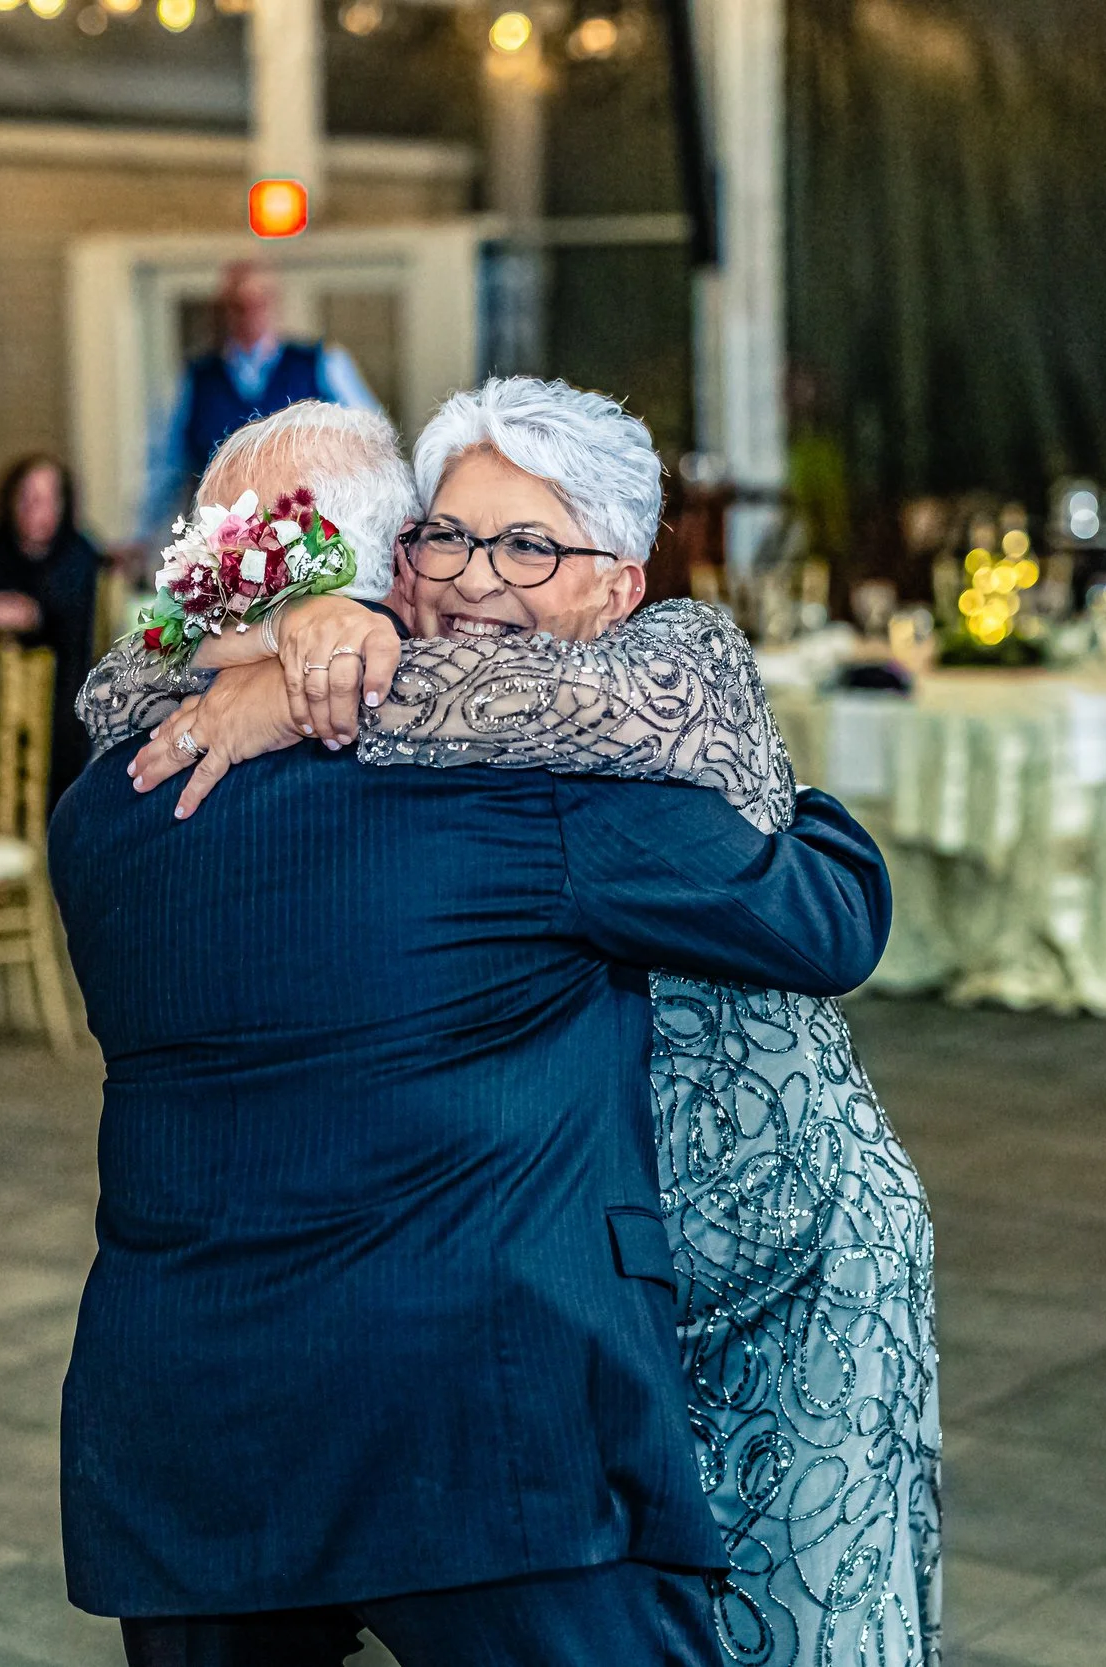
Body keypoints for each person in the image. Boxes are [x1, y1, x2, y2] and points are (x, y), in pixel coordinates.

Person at [85, 381, 944, 1667]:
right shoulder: (536, 790)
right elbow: (828, 918)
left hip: (192, 1419)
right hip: (492, 1418)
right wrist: (768, 776)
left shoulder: (109, 800)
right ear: (393, 569)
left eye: (521, 545)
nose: (476, 578)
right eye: (450, 541)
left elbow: (142, 689)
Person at [133, 261, 383, 557]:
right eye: (240, 305)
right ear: (225, 310)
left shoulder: (322, 363)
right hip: (222, 544)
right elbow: (165, 466)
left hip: (308, 539)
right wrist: (140, 537)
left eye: (259, 302)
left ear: (275, 303)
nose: (250, 314)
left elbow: (372, 440)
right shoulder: (195, 380)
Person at [0, 452, 103, 803]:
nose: (34, 509)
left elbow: (49, 612)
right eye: (26, 498)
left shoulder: (78, 554)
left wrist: (14, 615)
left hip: (61, 710)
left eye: (45, 498)